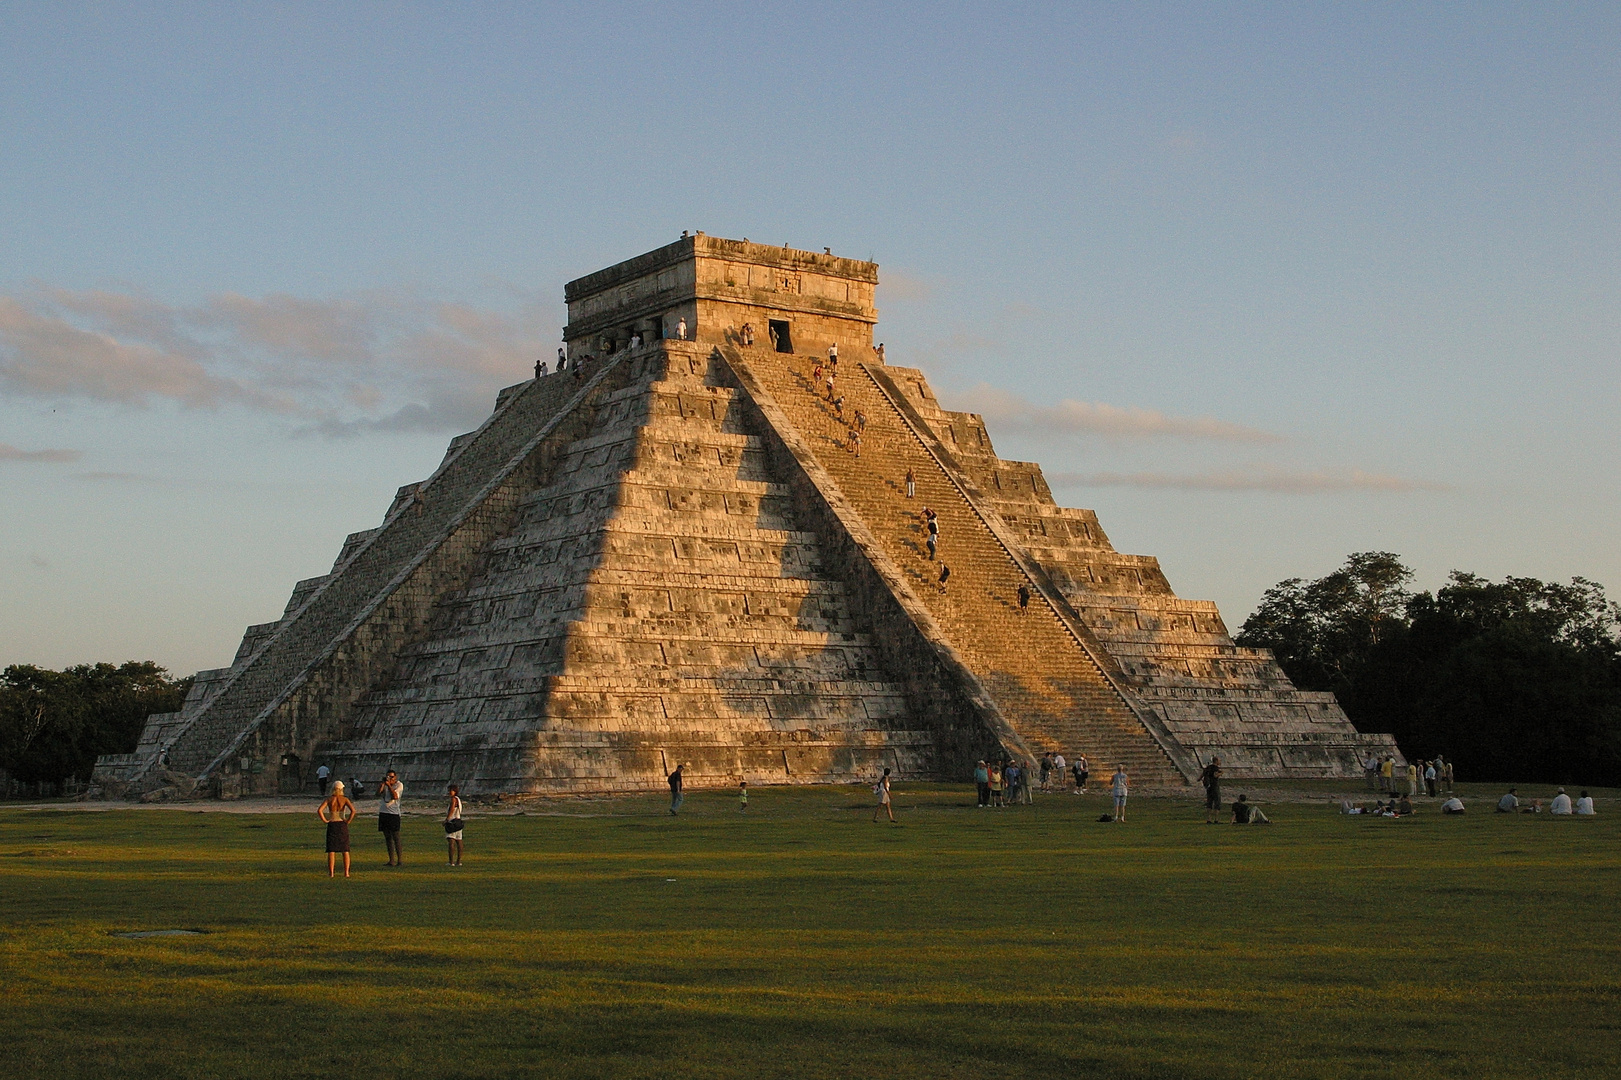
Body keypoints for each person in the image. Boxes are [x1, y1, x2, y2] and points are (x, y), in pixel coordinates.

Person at [318, 780, 355, 879]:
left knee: (331, 850)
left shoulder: (330, 799)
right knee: (345, 849)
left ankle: (331, 873)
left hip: (332, 823)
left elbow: (320, 810)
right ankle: (346, 872)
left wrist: (325, 820)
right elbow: (353, 811)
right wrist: (348, 820)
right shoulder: (344, 799)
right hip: (342, 824)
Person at [377, 770, 404, 866]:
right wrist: (382, 785)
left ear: (395, 777)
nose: (390, 779)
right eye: (388, 777)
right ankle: (391, 860)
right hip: (384, 812)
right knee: (387, 837)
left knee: (396, 837)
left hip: (394, 813)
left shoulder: (399, 785)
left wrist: (389, 786)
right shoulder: (385, 784)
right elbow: (377, 794)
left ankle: (400, 860)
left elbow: (395, 796)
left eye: (392, 777)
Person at [444, 785, 464, 867]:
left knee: (451, 840)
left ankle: (451, 861)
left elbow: (452, 809)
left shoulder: (453, 799)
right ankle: (458, 861)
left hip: (452, 821)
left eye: (450, 790)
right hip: (458, 821)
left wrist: (447, 819)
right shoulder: (458, 800)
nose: (449, 792)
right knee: (459, 841)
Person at [1200, 756, 1223, 824]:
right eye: (1219, 760)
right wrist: (1221, 773)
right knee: (1217, 803)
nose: (1220, 762)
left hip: (1209, 787)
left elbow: (1202, 775)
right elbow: (1215, 775)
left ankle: (1209, 819)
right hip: (1214, 786)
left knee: (1209, 803)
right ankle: (1216, 819)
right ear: (1216, 761)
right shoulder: (1215, 768)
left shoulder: (1208, 767)